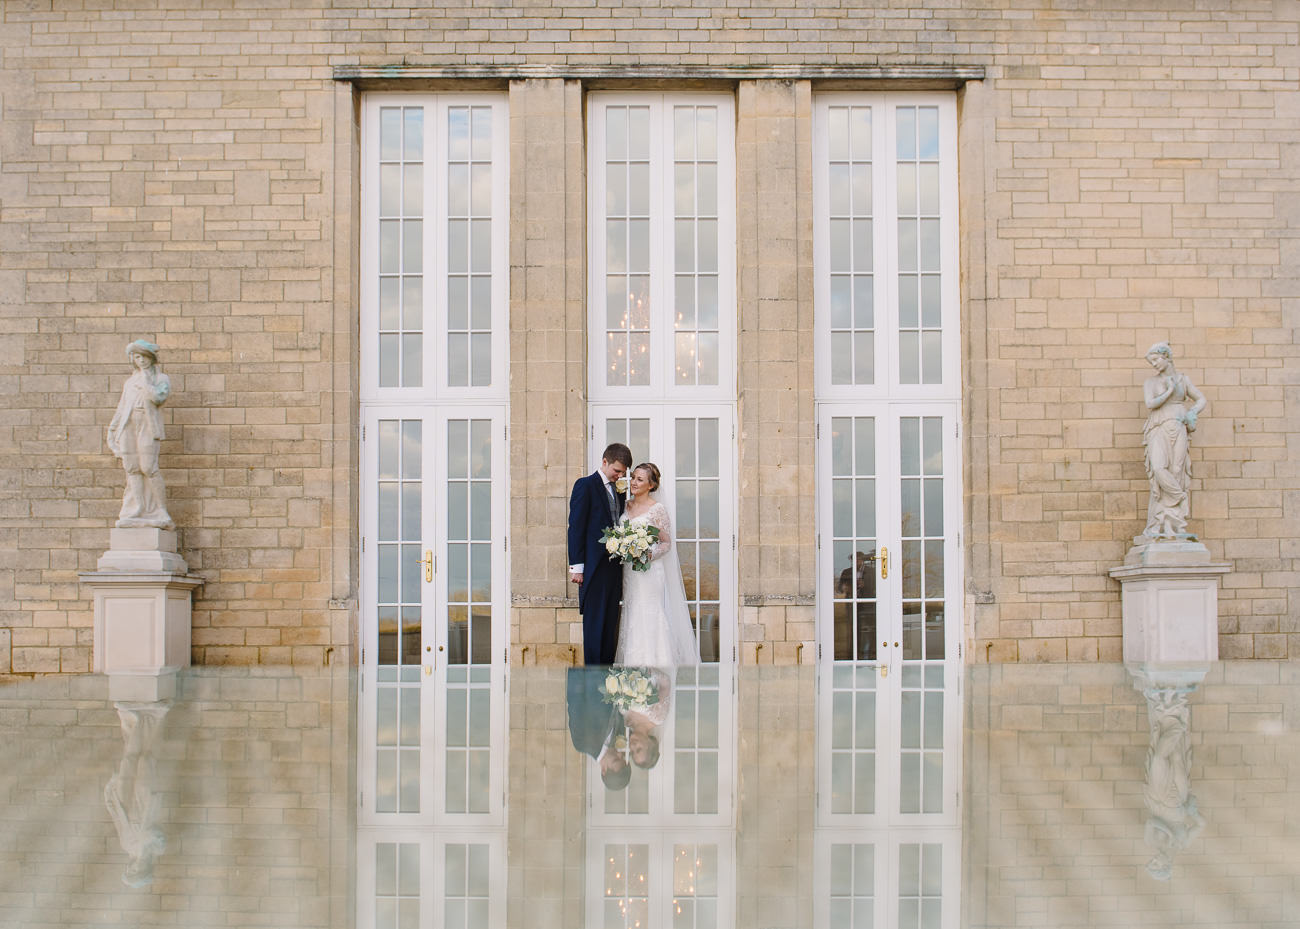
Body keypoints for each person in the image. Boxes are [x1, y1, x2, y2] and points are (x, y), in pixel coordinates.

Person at [613, 463, 701, 667]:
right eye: (633, 477)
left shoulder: (657, 509)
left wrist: (646, 554)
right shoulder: (625, 505)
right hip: (630, 571)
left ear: (651, 485)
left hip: (650, 570)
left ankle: (657, 671)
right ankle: (633, 672)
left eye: (640, 479)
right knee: (633, 613)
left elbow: (666, 542)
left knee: (650, 612)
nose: (634, 482)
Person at [569, 443, 632, 665]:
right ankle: (592, 683)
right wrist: (577, 567)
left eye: (623, 472)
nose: (619, 475)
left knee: (609, 626)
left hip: (614, 568)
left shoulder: (618, 490)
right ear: (604, 462)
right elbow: (575, 527)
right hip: (593, 568)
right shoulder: (585, 485)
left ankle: (608, 683)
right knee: (595, 627)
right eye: (617, 470)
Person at [1141, 342, 1207, 539]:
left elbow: (1201, 399)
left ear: (1166, 357)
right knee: (1159, 467)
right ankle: (1179, 498)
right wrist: (1169, 392)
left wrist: (1193, 412)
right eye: (1151, 362)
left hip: (1179, 426)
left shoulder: (1183, 380)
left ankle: (1172, 522)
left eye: (1155, 360)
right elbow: (1150, 403)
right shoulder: (1151, 383)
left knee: (1176, 471)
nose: (1154, 364)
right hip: (1158, 427)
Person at [107, 339, 174, 530]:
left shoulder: (160, 379)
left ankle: (161, 510)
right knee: (132, 468)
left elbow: (158, 397)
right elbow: (122, 407)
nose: (141, 360)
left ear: (151, 359)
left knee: (148, 467)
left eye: (144, 357)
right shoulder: (130, 382)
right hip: (128, 424)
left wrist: (146, 380)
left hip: (147, 423)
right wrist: (113, 429)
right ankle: (138, 507)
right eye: (137, 357)